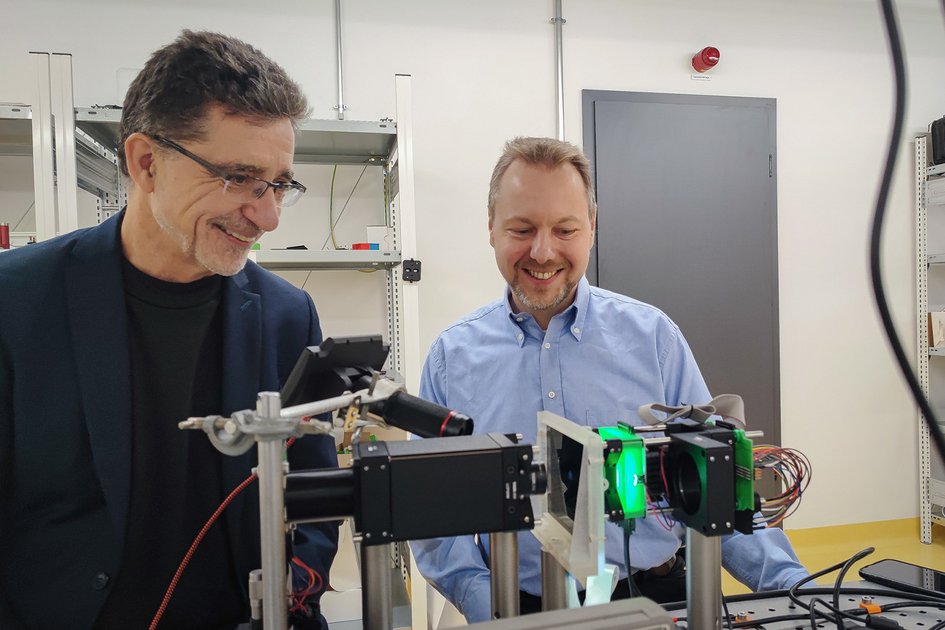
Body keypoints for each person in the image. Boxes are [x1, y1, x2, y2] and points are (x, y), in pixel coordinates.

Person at [0, 31, 338, 629]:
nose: (267, 216)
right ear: (146, 162)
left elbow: (314, 492)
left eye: (280, 182)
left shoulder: (288, 315)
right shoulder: (17, 300)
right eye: (238, 176)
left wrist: (292, 593)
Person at [410, 136, 809, 623]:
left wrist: (794, 588)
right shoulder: (453, 358)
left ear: (592, 228)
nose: (542, 251)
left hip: (660, 595)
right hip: (519, 606)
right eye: (521, 228)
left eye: (565, 229)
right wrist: (487, 605)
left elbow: (717, 479)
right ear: (491, 227)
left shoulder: (653, 338)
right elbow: (430, 514)